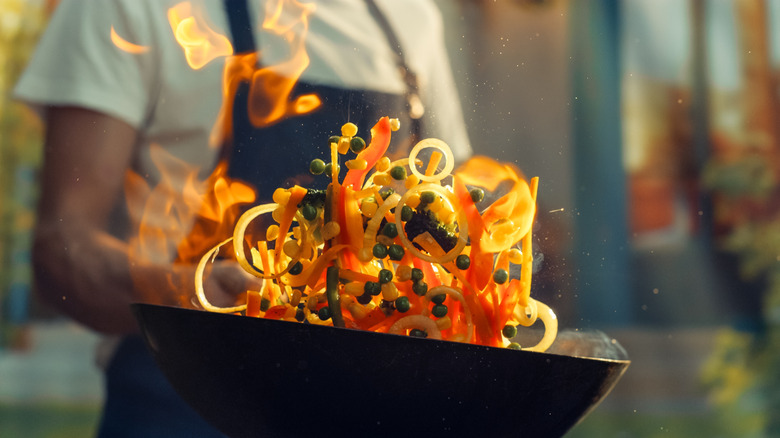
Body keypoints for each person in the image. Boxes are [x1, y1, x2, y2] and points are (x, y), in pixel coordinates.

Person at [14, 0, 471, 435]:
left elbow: (449, 212)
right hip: (180, 403)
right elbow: (63, 247)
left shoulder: (409, 16)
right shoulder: (125, 8)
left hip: (373, 408)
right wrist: (194, 293)